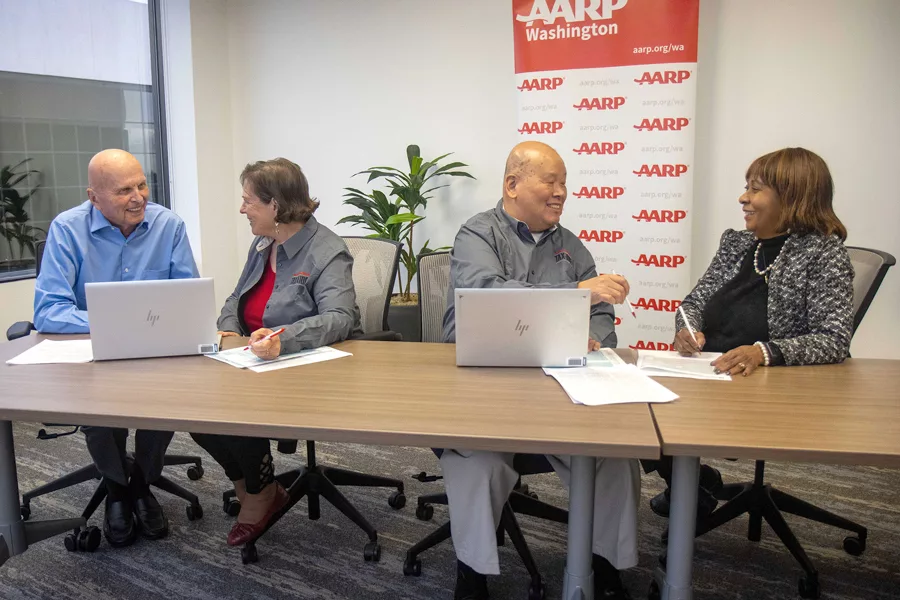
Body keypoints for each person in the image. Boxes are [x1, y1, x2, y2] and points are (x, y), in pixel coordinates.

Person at [441, 141, 638, 600]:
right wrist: (579, 294)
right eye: (550, 181)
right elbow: (486, 294)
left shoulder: (571, 246)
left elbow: (602, 315)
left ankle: (605, 566)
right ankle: (472, 572)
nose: (561, 192)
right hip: (485, 384)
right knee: (479, 462)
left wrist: (596, 340)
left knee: (615, 458)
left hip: (560, 389)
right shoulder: (478, 234)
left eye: (564, 183)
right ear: (512, 184)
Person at [646, 147, 854, 517]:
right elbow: (692, 302)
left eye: (755, 189)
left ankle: (690, 488)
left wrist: (762, 352)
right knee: (632, 411)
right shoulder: (738, 243)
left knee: (653, 417)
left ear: (791, 197)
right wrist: (686, 329)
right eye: (747, 188)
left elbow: (834, 338)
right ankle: (692, 481)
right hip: (709, 372)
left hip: (764, 386)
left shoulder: (823, 252)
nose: (744, 198)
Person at [190, 158, 362, 547]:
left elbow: (340, 319)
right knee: (196, 413)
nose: (241, 209)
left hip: (307, 364)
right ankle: (251, 487)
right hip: (252, 357)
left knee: (237, 410)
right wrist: (229, 329)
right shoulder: (262, 243)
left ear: (276, 207)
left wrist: (285, 338)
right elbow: (237, 296)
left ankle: (261, 493)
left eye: (248, 201)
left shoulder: (328, 250)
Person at [33, 149, 199, 547]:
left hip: (154, 352)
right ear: (94, 197)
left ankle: (141, 481)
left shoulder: (167, 225)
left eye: (142, 185)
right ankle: (117, 487)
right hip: (94, 353)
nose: (139, 197)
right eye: (124, 190)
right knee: (96, 412)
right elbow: (49, 311)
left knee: (168, 399)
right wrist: (113, 324)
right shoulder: (67, 229)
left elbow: (189, 299)